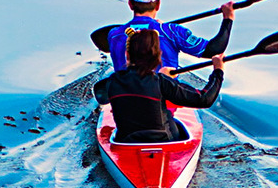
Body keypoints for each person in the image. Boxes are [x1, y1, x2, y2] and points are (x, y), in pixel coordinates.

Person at [94, 28, 224, 143]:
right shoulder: (161, 82)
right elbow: (205, 99)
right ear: (158, 57)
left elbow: (104, 97)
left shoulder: (112, 81)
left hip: (127, 141)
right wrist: (218, 71)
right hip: (166, 141)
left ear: (127, 55)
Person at [108, 0, 234, 72]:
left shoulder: (113, 34)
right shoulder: (172, 31)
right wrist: (228, 19)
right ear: (158, 5)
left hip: (123, 99)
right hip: (166, 101)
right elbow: (214, 50)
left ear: (130, 4)